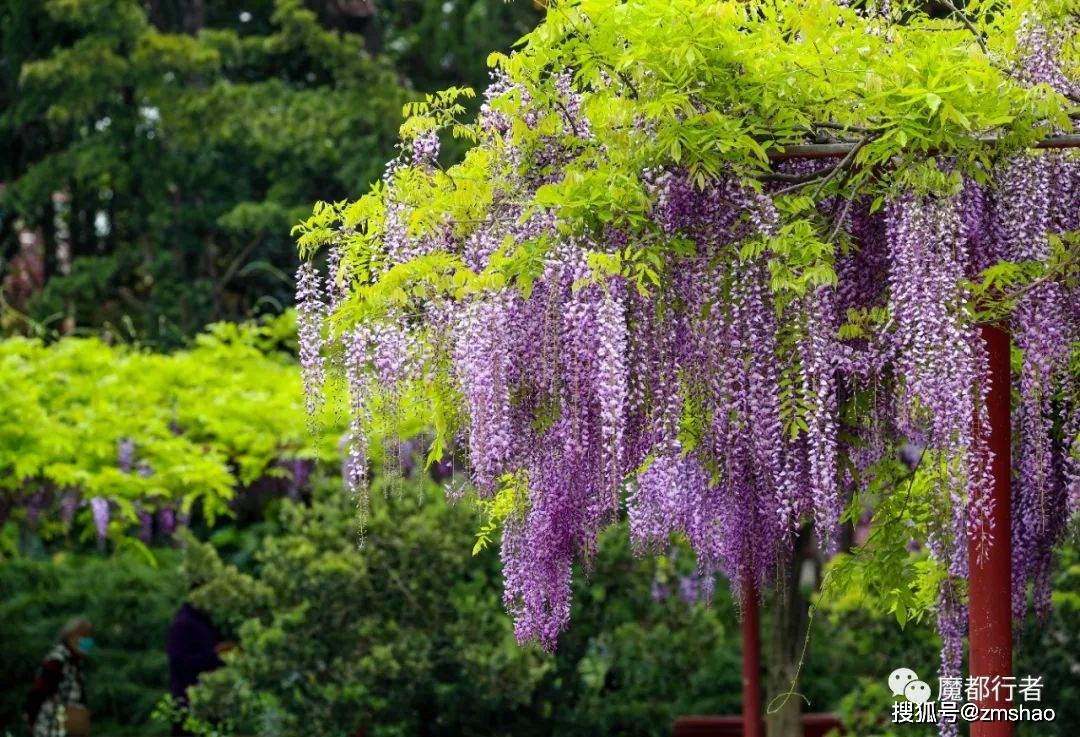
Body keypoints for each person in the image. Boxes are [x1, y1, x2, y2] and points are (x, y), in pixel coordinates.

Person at [165, 601, 235, 736]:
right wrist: (215, 655)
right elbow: (180, 664)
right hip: (190, 702)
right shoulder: (184, 622)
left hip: (212, 701)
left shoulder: (206, 620)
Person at [24, 618, 94, 737]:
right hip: (52, 727)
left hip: (69, 727)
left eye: (89, 636)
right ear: (70, 637)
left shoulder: (75, 663)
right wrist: (30, 716)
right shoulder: (57, 660)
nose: (87, 641)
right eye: (83, 636)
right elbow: (39, 691)